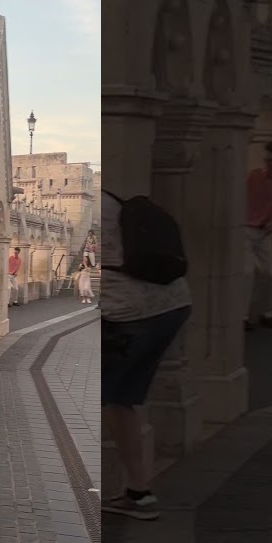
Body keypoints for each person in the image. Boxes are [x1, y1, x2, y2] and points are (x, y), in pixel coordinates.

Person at [104, 190, 191, 521]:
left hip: (128, 313)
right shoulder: (115, 200)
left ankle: (133, 490)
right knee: (120, 397)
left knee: (110, 394)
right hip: (173, 305)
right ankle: (139, 492)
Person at [244, 141, 272, 332]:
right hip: (245, 229)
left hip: (263, 231)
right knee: (247, 273)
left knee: (270, 273)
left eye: (271, 160)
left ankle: (267, 313)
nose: (267, 163)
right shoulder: (254, 176)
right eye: (265, 159)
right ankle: (242, 316)